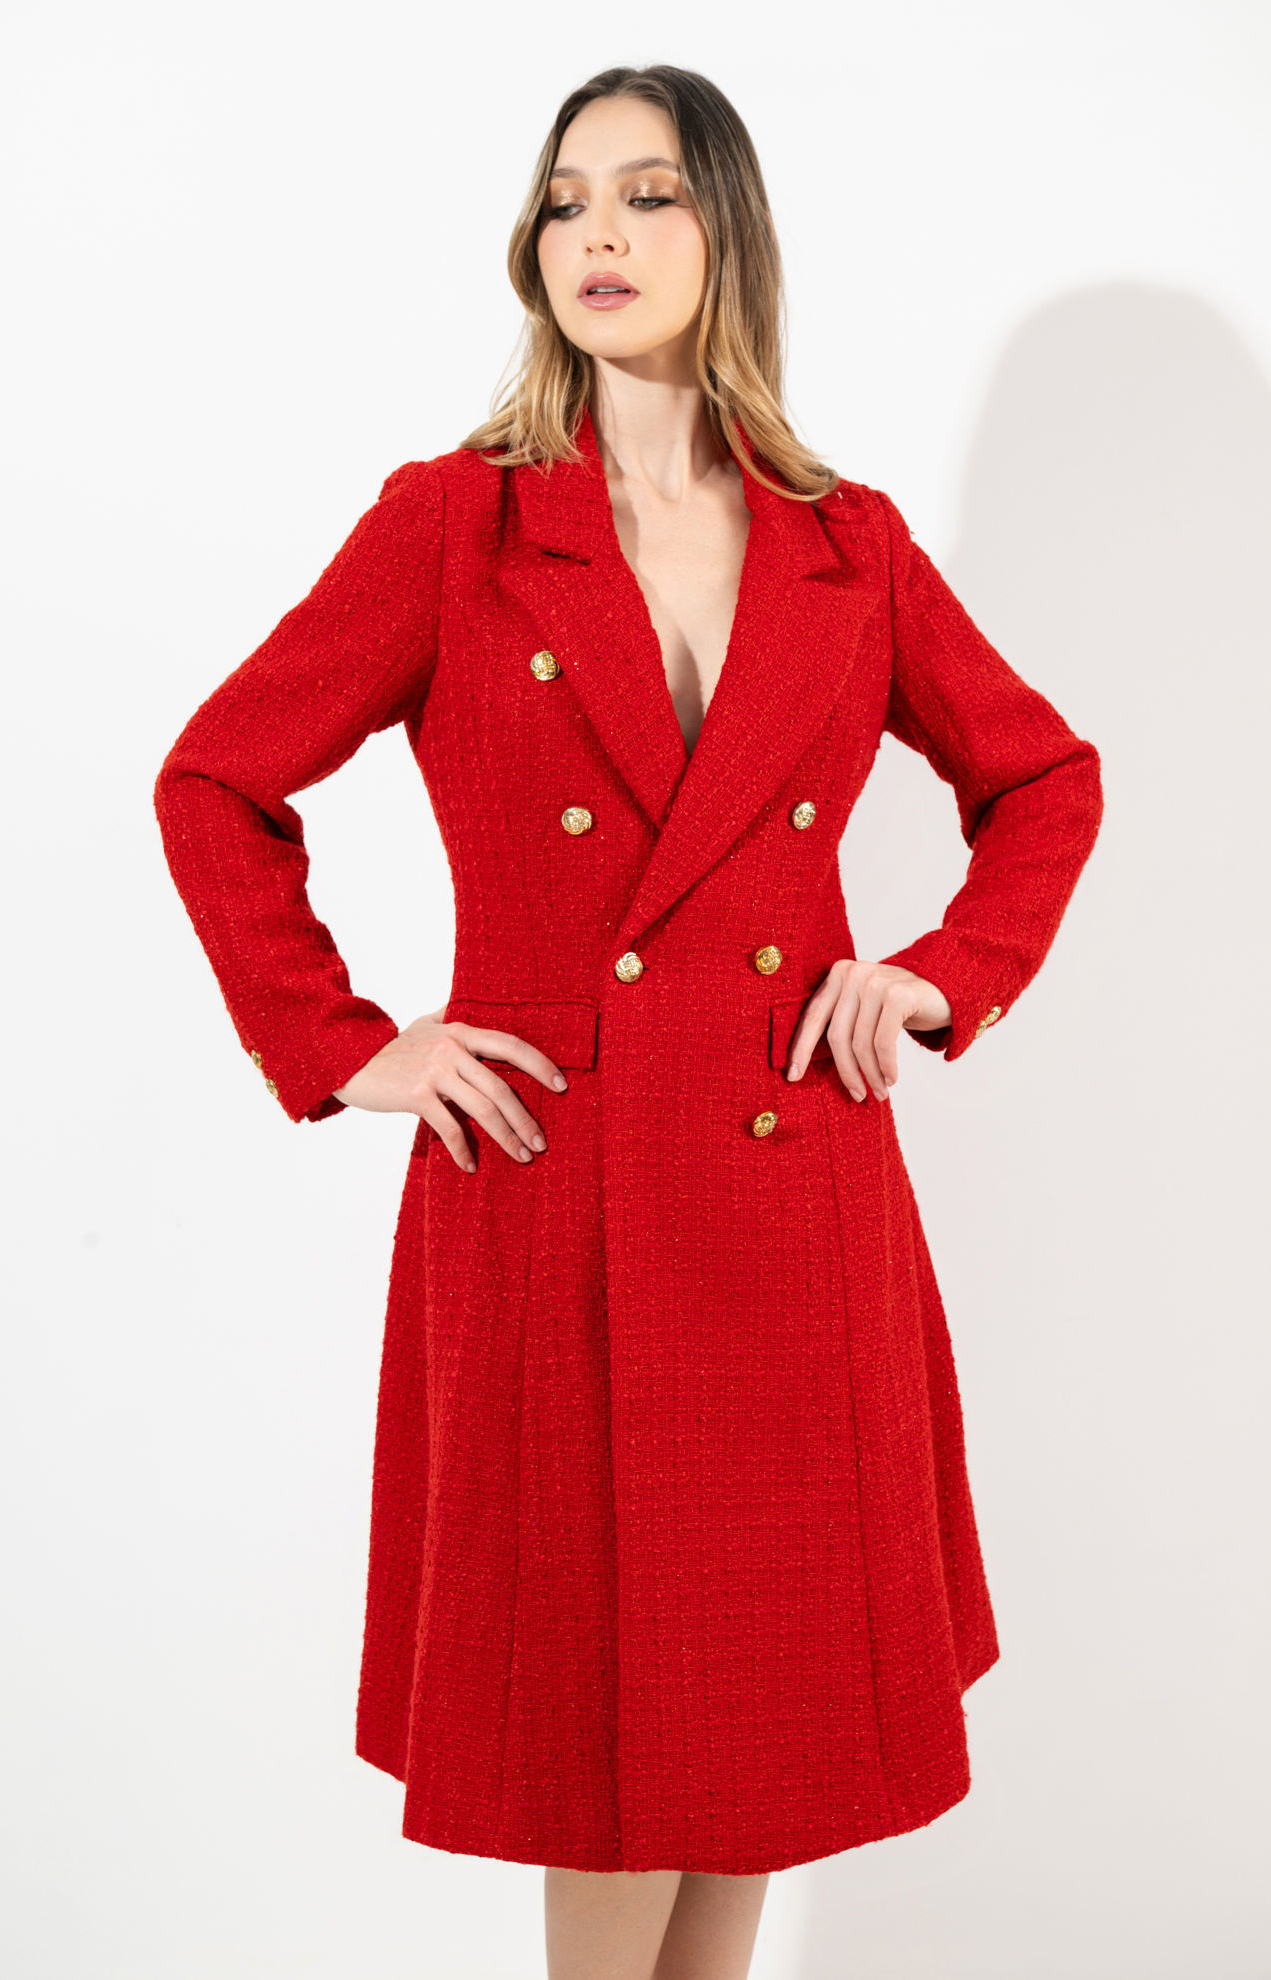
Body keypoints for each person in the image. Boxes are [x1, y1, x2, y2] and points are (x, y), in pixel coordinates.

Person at [154, 62, 1104, 1980]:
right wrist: (348, 1043)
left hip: (791, 1191)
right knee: (603, 1747)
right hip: (549, 1187)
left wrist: (934, 975)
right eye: (566, 198)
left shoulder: (848, 544)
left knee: (751, 1740)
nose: (597, 232)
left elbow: (1045, 780)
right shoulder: (457, 525)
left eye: (649, 194)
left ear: (725, 231)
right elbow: (218, 780)